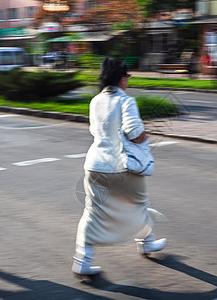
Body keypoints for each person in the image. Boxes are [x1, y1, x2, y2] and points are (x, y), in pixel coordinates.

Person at [72, 57, 166, 276]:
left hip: (95, 165)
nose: (129, 80)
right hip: (122, 166)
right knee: (138, 204)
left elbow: (94, 131)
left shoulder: (96, 100)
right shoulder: (126, 101)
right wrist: (145, 136)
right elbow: (134, 132)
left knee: (92, 213)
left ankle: (82, 260)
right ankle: (146, 243)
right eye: (128, 76)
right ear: (122, 78)